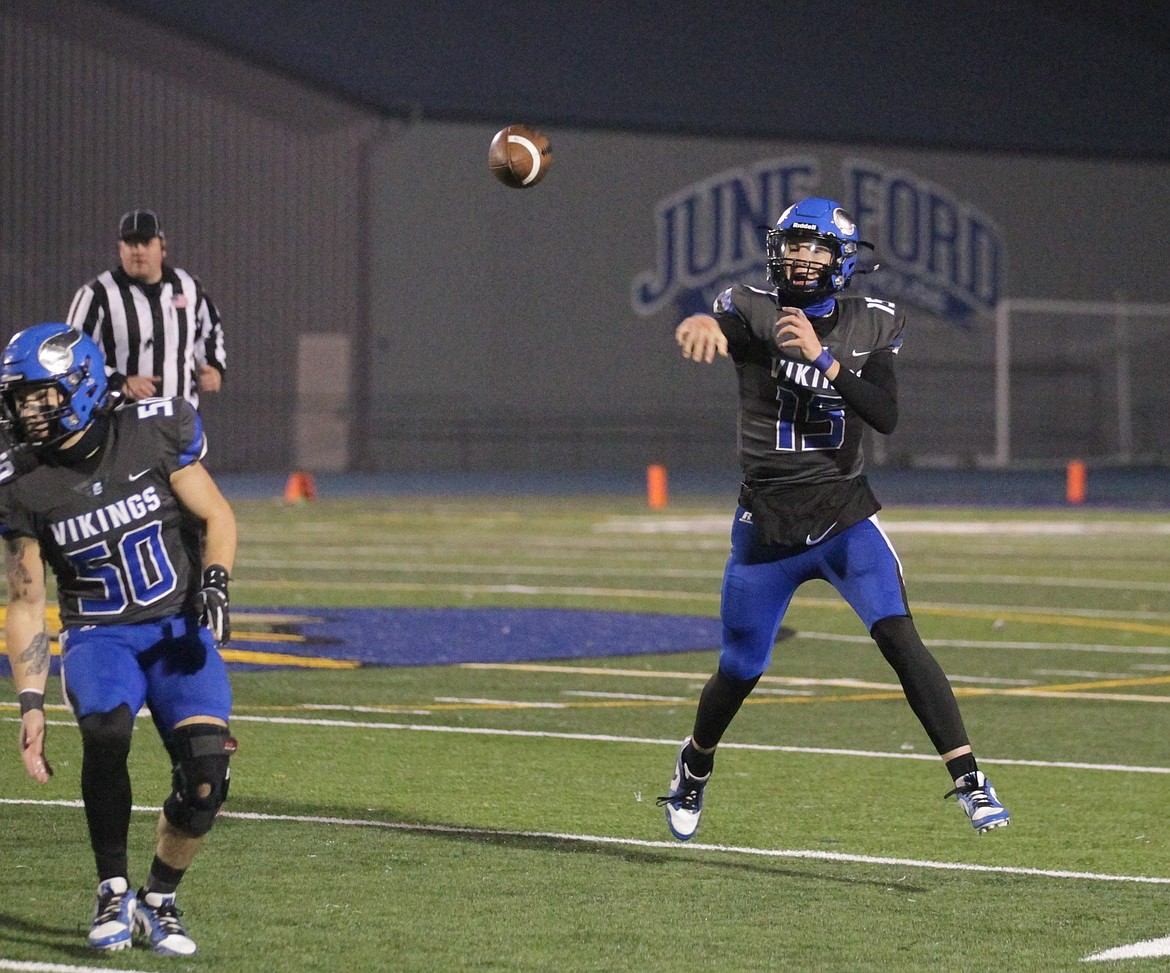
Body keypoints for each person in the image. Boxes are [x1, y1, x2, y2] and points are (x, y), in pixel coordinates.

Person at [657, 197, 1009, 841]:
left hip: (845, 516)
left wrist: (824, 358)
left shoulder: (872, 322)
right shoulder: (752, 305)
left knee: (902, 641)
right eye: (794, 243)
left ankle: (970, 780)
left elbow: (886, 414)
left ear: (841, 261)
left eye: (817, 247)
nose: (802, 256)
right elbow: (728, 324)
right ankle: (695, 763)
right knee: (739, 669)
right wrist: (700, 322)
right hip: (768, 525)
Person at [1, 322, 237, 956]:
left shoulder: (153, 429)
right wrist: (29, 702)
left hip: (175, 628)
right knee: (105, 734)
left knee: (208, 776)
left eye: (38, 396)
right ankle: (112, 889)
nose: (26, 412)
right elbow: (25, 600)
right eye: (19, 399)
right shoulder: (21, 479)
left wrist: (214, 586)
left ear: (78, 386)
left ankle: (159, 900)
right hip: (100, 636)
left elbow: (216, 514)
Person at [66, 208, 226, 410]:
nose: (138, 250)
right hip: (121, 422)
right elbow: (71, 355)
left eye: (146, 242)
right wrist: (119, 382)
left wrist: (214, 366)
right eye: (131, 243)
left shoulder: (188, 286)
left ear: (163, 247)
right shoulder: (96, 294)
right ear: (120, 248)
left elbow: (210, 329)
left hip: (180, 421)